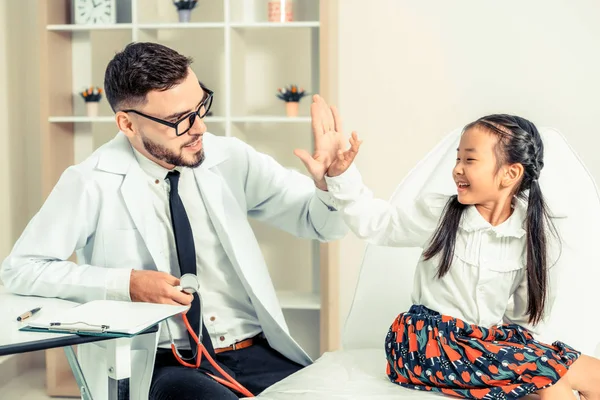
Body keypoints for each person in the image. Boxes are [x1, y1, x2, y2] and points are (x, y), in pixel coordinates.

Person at [1, 42, 349, 399]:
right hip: (165, 362)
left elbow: (321, 224)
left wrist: (331, 184)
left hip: (256, 350)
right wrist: (126, 283)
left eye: (200, 107)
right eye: (177, 121)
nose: (198, 128)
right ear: (127, 124)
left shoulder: (231, 157)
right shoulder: (90, 180)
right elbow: (21, 269)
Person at [318, 114, 600, 399]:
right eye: (458, 159)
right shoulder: (441, 214)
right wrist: (341, 176)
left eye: (470, 160)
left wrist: (526, 355)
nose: (457, 170)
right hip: (428, 343)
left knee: (594, 374)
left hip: (482, 343)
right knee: (550, 383)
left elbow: (523, 316)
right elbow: (380, 225)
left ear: (510, 174)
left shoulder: (529, 232)